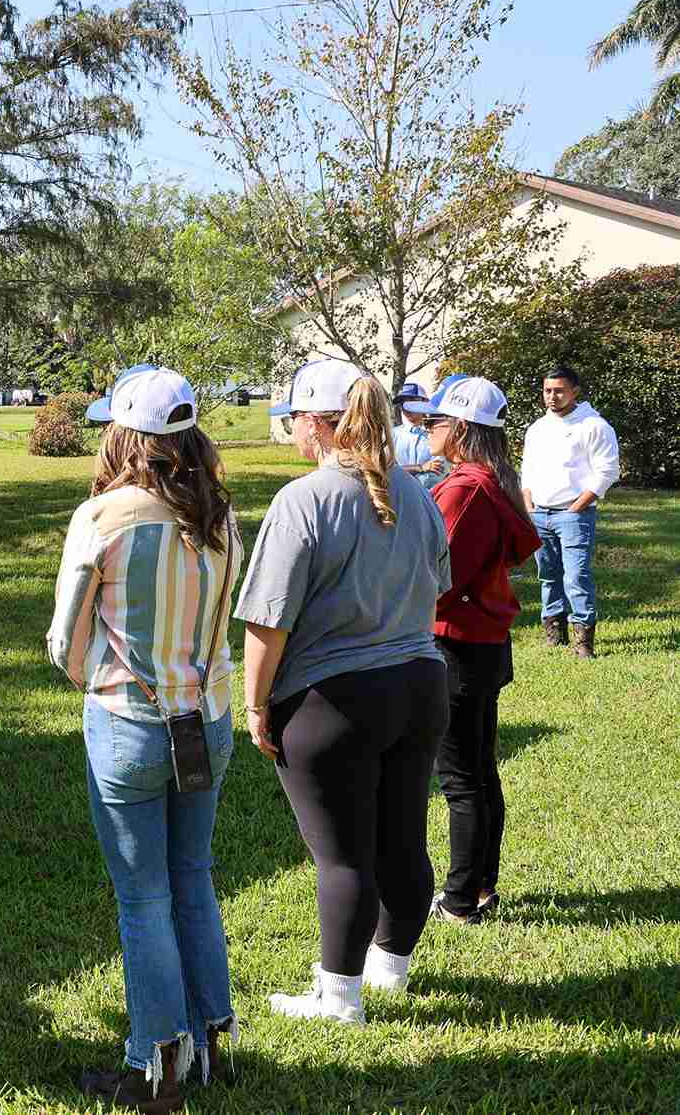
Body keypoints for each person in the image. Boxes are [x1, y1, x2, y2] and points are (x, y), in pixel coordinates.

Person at [48, 366, 243, 1113]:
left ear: (124, 436)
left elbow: (65, 644)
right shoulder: (220, 515)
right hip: (209, 717)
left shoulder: (102, 517)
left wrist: (92, 675)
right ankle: (211, 1040)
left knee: (143, 898)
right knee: (192, 876)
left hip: (128, 720)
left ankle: (155, 1065)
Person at [238, 359, 451, 1024]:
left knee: (341, 857)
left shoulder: (302, 499)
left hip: (335, 700)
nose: (291, 430)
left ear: (315, 423)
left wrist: (253, 705)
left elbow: (266, 621)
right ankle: (390, 970)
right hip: (419, 686)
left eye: (292, 418)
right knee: (402, 842)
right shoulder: (414, 491)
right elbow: (436, 584)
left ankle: (338, 999)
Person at [419, 376, 541, 926]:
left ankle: (462, 898)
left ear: (462, 428)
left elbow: (433, 574)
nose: (426, 430)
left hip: (457, 645)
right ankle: (482, 886)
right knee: (480, 772)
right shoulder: (490, 482)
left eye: (434, 422)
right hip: (483, 643)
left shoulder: (464, 489)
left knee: (462, 780)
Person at [520, 364, 620, 658]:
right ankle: (554, 632)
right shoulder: (537, 428)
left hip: (573, 515)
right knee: (548, 575)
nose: (552, 396)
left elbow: (607, 471)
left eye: (559, 390)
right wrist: (528, 501)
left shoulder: (593, 425)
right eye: (547, 390)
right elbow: (528, 468)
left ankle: (583, 641)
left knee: (576, 576)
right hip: (539, 513)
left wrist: (577, 508)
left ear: (574, 391)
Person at [391, 382, 445, 490]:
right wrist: (420, 468)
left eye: (411, 400)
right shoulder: (391, 435)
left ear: (425, 402)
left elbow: (439, 469)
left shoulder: (438, 433)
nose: (405, 406)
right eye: (401, 402)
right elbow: (387, 470)